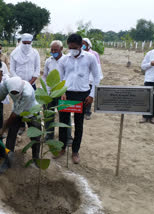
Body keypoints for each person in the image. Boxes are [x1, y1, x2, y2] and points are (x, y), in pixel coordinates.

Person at [58, 33, 100, 164]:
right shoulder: (64, 59)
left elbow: (97, 76)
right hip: (67, 94)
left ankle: (75, 151)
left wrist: (92, 95)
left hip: (82, 94)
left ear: (81, 45)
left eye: (75, 47)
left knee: (79, 124)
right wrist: (61, 91)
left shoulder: (90, 58)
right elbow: (60, 78)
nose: (72, 50)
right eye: (70, 47)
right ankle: (62, 147)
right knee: (63, 123)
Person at [0, 76, 41, 173]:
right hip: (17, 109)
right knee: (11, 136)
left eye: (17, 93)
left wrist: (3, 129)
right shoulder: (7, 83)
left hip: (32, 111)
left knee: (36, 136)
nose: (14, 95)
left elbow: (14, 116)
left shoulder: (27, 93)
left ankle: (36, 159)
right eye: (13, 93)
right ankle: (7, 161)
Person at [42, 40, 72, 143]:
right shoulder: (48, 61)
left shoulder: (67, 60)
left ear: (61, 49)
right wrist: (45, 90)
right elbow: (45, 76)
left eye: (56, 50)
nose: (53, 51)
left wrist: (65, 92)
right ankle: (49, 135)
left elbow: (68, 77)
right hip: (50, 92)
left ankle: (67, 138)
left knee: (65, 116)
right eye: (52, 50)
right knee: (48, 114)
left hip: (62, 92)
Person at [82, 38, 104, 120]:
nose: (83, 45)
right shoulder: (81, 53)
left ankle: (87, 112)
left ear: (88, 45)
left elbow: (97, 67)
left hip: (91, 79)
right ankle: (82, 111)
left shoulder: (94, 54)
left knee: (89, 96)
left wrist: (96, 78)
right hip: (83, 79)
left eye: (84, 44)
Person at [140, 37, 154, 124]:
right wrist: (150, 64)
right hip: (149, 79)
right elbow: (142, 66)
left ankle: (152, 117)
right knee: (146, 98)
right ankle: (144, 117)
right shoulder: (150, 53)